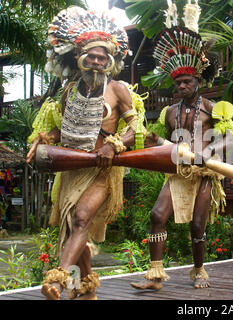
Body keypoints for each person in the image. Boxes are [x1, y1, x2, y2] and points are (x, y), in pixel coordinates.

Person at [26, 6, 145, 300]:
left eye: (101, 56)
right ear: (81, 57)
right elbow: (65, 131)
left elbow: (137, 128)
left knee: (81, 219)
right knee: (72, 224)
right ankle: (87, 287)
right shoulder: (69, 91)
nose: (96, 60)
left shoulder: (117, 89)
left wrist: (114, 144)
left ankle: (57, 280)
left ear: (109, 61)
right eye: (91, 55)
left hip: (102, 171)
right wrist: (42, 141)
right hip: (72, 168)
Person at [130, 0, 233, 290]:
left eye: (187, 82)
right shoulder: (170, 112)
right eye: (178, 84)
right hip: (177, 171)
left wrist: (209, 152)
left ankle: (199, 270)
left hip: (204, 173)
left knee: (197, 225)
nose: (182, 87)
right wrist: (148, 139)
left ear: (197, 80)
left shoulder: (215, 107)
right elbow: (159, 139)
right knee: (156, 215)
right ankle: (154, 275)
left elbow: (228, 136)